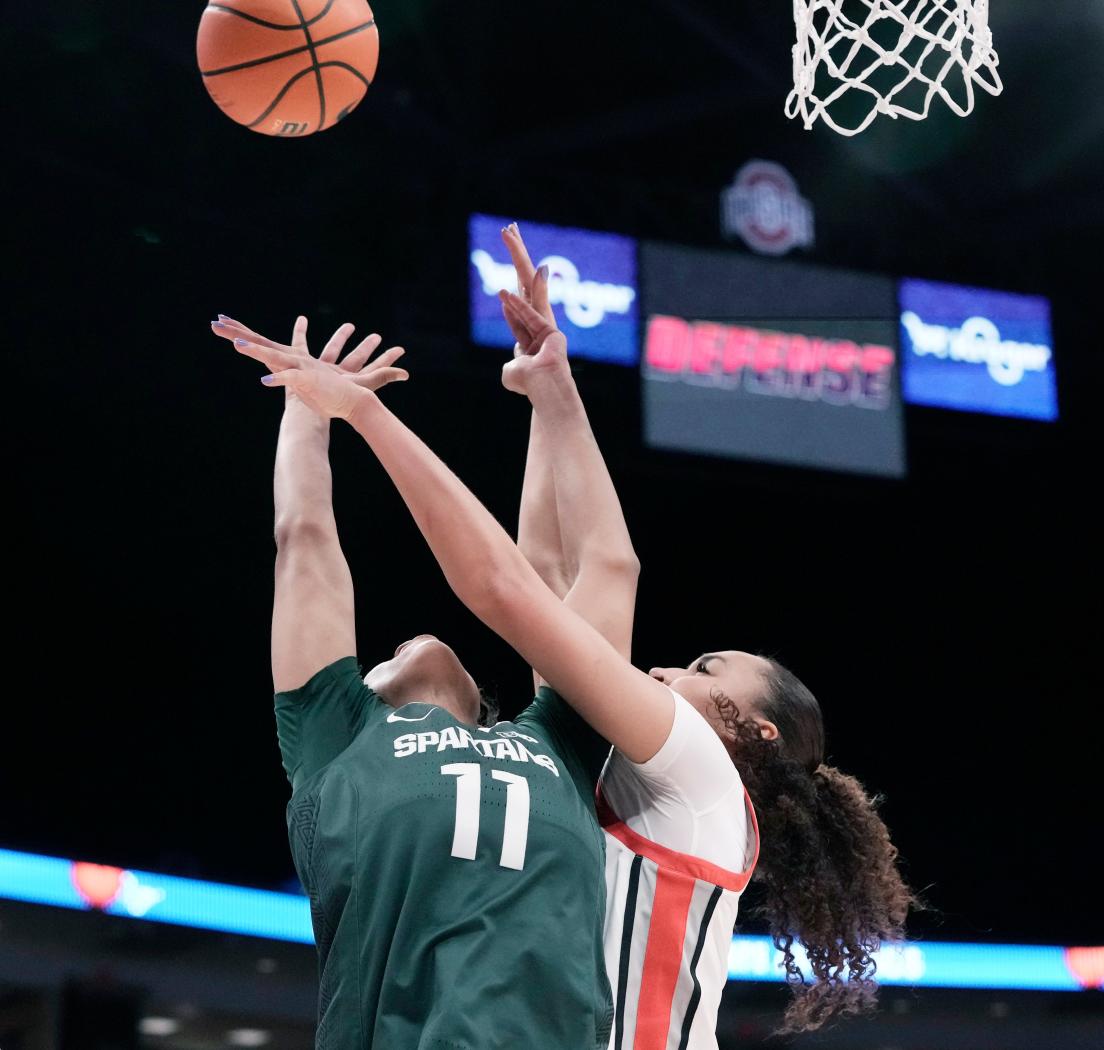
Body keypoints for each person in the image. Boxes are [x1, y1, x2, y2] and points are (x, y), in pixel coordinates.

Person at [229, 226, 915, 1044]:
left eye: (705, 667)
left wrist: (364, 415)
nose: (664, 665)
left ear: (755, 731)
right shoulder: (584, 761)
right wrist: (549, 388)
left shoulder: (701, 781)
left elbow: (521, 587)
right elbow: (557, 572)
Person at [211, 314, 613, 1049]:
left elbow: (557, 577)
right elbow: (304, 540)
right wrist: (307, 410)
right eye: (386, 655)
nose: (408, 639)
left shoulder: (558, 742)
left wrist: (552, 399)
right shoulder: (338, 735)